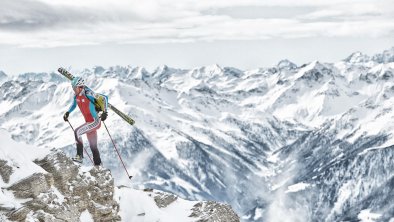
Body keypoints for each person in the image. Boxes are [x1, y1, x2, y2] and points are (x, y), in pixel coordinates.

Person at [63, 76, 108, 166]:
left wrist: (105, 112)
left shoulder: (88, 93)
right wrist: (68, 112)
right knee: (93, 146)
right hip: (89, 123)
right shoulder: (77, 96)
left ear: (79, 87)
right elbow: (73, 105)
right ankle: (98, 165)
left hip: (95, 121)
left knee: (77, 132)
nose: (73, 89)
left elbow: (104, 98)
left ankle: (79, 157)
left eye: (74, 87)